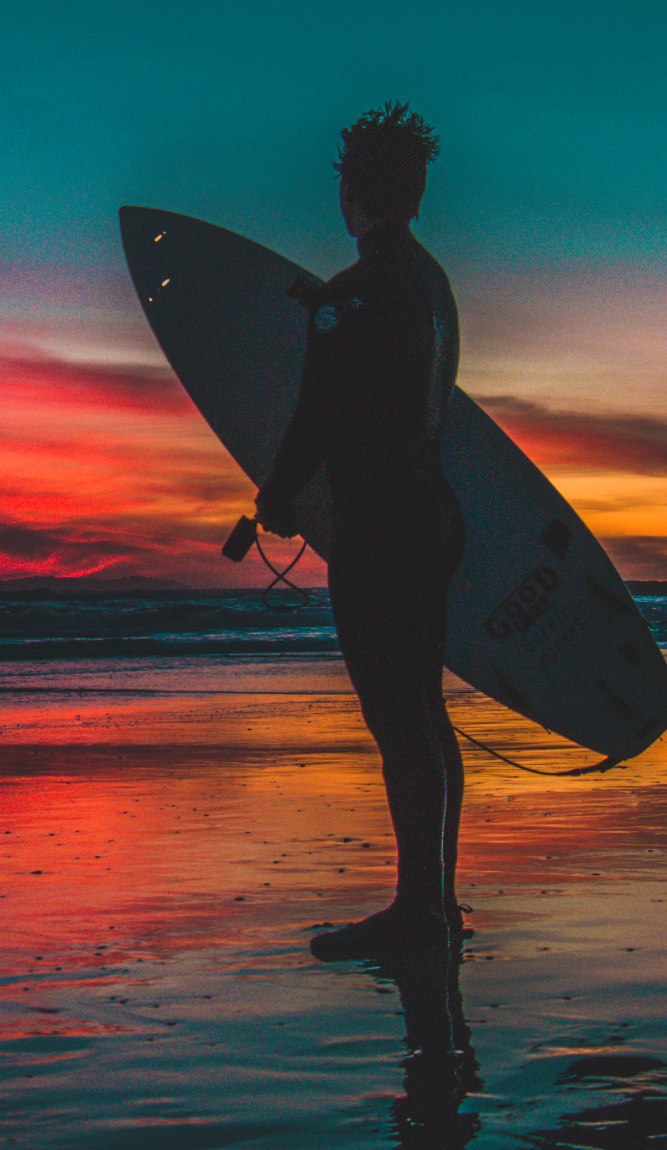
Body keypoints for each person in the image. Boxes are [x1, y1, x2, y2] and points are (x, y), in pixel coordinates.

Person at [255, 102, 465, 958]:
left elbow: (319, 412)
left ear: (355, 194)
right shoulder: (431, 285)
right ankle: (434, 904)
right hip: (430, 510)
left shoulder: (350, 294)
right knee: (425, 716)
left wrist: (277, 496)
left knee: (399, 721)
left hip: (379, 524)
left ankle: (418, 914)